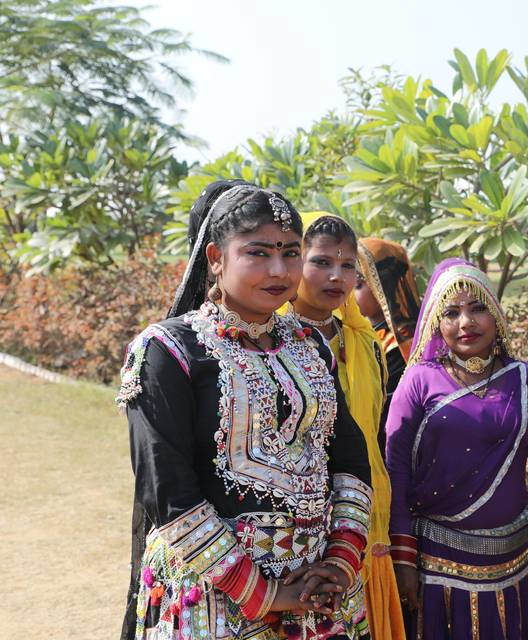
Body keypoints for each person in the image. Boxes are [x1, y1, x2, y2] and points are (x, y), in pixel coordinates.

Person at [118, 181, 373, 640]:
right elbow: (167, 488)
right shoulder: (167, 351)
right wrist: (265, 595)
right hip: (215, 597)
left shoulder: (309, 344)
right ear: (216, 258)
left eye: (291, 252)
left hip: (319, 593)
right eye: (258, 253)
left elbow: (350, 458)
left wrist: (340, 559)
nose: (279, 269)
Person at [385, 258, 528, 639]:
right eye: (452, 312)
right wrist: (402, 558)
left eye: (477, 307)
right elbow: (395, 470)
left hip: (515, 567)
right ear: (436, 322)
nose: (466, 322)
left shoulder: (526, 381)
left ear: (496, 313)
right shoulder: (418, 382)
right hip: (436, 570)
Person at [289, 213, 405, 640]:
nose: (336, 276)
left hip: (362, 519)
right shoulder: (271, 342)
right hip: (292, 529)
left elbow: (375, 438)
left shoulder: (364, 342)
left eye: (348, 265)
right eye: (320, 262)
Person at [354, 237, 422, 438]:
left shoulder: (402, 343)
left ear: (381, 286)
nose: (347, 292)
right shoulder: (358, 330)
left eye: (358, 285)